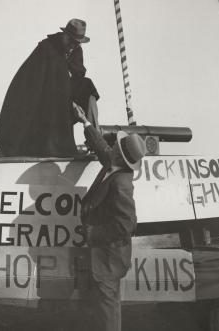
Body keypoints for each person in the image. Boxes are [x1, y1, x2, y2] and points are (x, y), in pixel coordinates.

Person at [74, 104, 146, 331]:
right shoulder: (113, 162)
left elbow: (126, 224)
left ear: (119, 153)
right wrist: (85, 121)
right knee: (101, 306)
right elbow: (100, 145)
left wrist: (93, 234)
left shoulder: (121, 182)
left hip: (109, 257)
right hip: (105, 253)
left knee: (108, 308)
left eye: (116, 144)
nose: (112, 144)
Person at [0, 18, 100, 157]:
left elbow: (78, 73)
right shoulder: (47, 47)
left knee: (88, 86)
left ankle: (95, 139)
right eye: (72, 41)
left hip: (63, 92)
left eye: (77, 43)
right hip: (43, 95)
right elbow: (34, 80)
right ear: (65, 35)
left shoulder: (75, 48)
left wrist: (70, 60)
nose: (74, 45)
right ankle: (46, 144)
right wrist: (70, 101)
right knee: (59, 82)